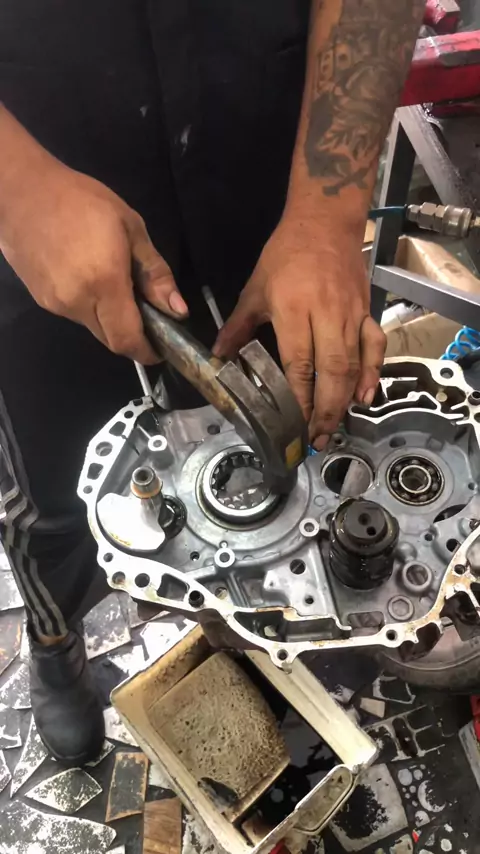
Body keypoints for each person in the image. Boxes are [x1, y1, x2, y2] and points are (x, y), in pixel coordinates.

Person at [0, 0, 423, 765]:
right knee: (50, 500)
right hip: (38, 235)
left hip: (268, 192)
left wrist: (327, 219)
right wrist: (15, 184)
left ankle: (242, 624)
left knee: (279, 463)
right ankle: (55, 638)